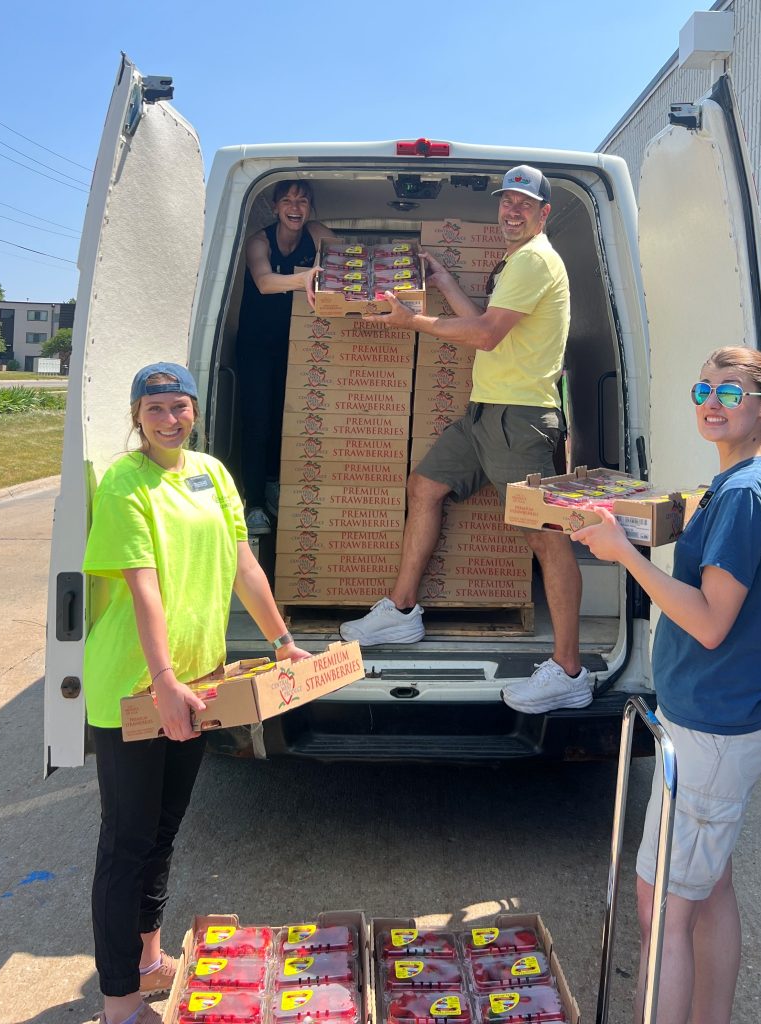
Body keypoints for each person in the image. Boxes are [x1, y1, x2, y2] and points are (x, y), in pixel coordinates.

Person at [571, 347, 761, 1024]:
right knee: (710, 888)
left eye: (731, 392)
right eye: (704, 387)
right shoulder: (751, 482)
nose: (711, 401)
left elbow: (707, 621)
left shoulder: (747, 495)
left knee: (662, 909)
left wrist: (624, 556)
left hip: (713, 729)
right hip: (724, 721)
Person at [82, 362, 310, 1024]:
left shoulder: (212, 473)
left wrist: (281, 640)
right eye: (155, 409)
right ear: (136, 416)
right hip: (136, 684)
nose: (169, 419)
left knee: (163, 829)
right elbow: (142, 582)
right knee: (125, 841)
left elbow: (243, 562)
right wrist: (162, 682)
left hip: (199, 681)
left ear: (195, 411)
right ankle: (119, 999)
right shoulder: (128, 482)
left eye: (179, 406)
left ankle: (149, 958)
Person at [340, 165, 589, 711]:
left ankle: (569, 671)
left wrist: (413, 322)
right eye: (507, 202)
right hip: (484, 415)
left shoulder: (534, 259)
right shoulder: (516, 262)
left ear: (544, 214)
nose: (512, 211)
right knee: (425, 486)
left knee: (547, 538)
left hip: (520, 420)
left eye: (525, 204)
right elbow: (485, 325)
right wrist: (444, 281)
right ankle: (403, 613)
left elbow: (482, 335)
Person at [236, 181, 336, 533]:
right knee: (258, 422)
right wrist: (307, 278)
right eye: (288, 201)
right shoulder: (259, 241)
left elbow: (341, 254)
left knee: (287, 418)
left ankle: (276, 485)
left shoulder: (316, 233)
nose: (296, 207)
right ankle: (255, 504)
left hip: (296, 343)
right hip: (255, 344)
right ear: (276, 206)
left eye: (303, 201)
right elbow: (264, 282)